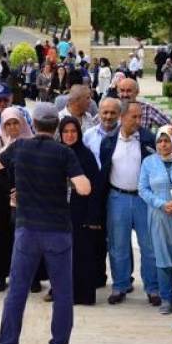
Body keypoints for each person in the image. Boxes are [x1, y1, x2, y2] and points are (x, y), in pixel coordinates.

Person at [0, 103, 91, 344]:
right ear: (56, 126)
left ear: (32, 123)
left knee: (18, 291)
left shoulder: (20, 147)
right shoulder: (64, 153)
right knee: (63, 291)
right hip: (58, 231)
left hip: (27, 230)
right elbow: (84, 188)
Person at [99, 99, 158, 305]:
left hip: (144, 199)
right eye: (134, 116)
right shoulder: (109, 141)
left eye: (140, 116)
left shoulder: (148, 139)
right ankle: (120, 285)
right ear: (122, 117)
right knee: (118, 245)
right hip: (117, 198)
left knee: (148, 246)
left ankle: (152, 288)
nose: (138, 120)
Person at [138, 125, 172, 315]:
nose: (163, 145)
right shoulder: (149, 162)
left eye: (167, 140)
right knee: (162, 258)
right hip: (159, 216)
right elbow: (143, 189)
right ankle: (167, 298)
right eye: (159, 141)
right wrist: (161, 204)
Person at [0, 106, 32, 291]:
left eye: (15, 123)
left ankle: (30, 278)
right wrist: (8, 193)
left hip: (27, 199)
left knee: (27, 241)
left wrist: (22, 191)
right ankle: (0, 276)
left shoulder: (30, 143)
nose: (12, 127)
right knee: (1, 237)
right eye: (8, 124)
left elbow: (36, 171)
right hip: (2, 200)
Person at [57, 116, 106, 305]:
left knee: (82, 253)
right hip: (60, 212)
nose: (69, 135)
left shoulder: (85, 156)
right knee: (60, 254)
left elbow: (95, 187)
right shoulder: (57, 153)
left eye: (73, 131)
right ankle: (60, 291)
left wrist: (93, 217)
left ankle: (83, 295)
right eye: (65, 132)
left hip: (81, 212)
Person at [83, 97, 121, 166]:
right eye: (105, 112)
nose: (108, 117)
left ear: (119, 114)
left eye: (113, 113)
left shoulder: (124, 135)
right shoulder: (88, 135)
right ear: (99, 113)